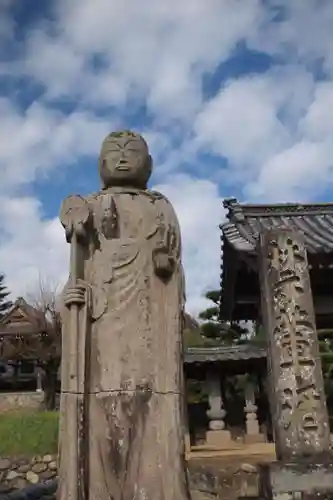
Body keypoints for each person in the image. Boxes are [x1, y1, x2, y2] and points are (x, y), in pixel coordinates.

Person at [58, 130, 190, 500]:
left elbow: (174, 267)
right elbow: (76, 278)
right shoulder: (90, 206)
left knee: (149, 411)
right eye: (112, 151)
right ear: (99, 162)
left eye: (132, 151)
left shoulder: (159, 207)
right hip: (100, 337)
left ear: (148, 163)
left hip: (148, 332)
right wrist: (68, 299)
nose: (121, 156)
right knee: (101, 417)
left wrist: (165, 266)